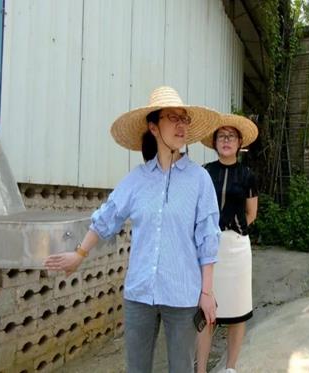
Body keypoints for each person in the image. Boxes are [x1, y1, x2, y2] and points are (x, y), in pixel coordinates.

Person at [44, 86, 222, 373]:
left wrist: (207, 292)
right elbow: (107, 217)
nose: (181, 124)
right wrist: (79, 254)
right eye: (172, 117)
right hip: (140, 293)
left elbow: (208, 238)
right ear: (154, 126)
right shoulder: (137, 180)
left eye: (184, 119)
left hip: (183, 294)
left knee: (181, 368)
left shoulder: (199, 180)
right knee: (136, 368)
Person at [196, 114, 258, 373]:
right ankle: (200, 368)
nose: (226, 141)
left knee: (237, 310)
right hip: (209, 249)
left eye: (231, 136)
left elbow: (251, 214)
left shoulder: (247, 175)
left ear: (239, 142)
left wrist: (232, 229)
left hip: (237, 248)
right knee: (207, 312)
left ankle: (230, 367)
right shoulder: (204, 172)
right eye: (221, 136)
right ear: (214, 142)